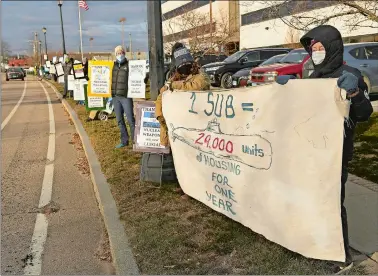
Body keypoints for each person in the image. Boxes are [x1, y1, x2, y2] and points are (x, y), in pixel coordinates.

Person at [277, 25, 373, 273]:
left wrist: (354, 92)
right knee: (314, 201)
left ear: (332, 48)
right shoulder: (314, 78)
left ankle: (342, 256)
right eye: (313, 48)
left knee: (332, 203)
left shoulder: (350, 74)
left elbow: (365, 114)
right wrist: (290, 90)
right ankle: (317, 244)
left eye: (320, 47)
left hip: (336, 153)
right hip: (311, 152)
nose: (316, 52)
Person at [155, 43, 211, 198]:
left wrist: (174, 85)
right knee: (183, 159)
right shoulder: (176, 76)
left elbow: (198, 86)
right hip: (181, 127)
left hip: (197, 125)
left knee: (196, 160)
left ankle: (198, 188)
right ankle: (185, 186)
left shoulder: (200, 74)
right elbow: (162, 94)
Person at [111, 45, 135, 148]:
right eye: (117, 53)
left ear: (124, 53)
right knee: (120, 120)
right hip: (116, 97)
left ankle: (135, 141)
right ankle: (124, 141)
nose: (119, 54)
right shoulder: (113, 65)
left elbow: (136, 77)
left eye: (121, 52)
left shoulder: (129, 65)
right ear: (115, 54)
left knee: (130, 120)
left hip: (126, 96)